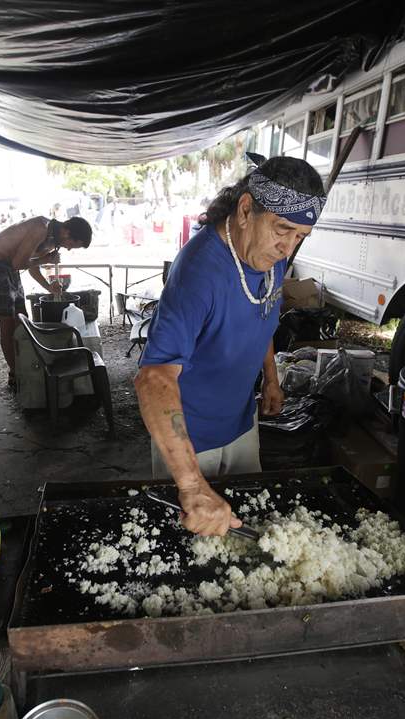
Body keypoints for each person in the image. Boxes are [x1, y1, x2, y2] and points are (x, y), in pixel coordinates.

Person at [134, 153, 326, 537]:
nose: (287, 248)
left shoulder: (268, 253)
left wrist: (271, 379)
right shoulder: (198, 272)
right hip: (191, 438)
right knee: (195, 535)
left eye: (299, 237)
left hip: (241, 421)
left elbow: (264, 314)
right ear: (244, 209)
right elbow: (153, 378)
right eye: (282, 229)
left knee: (245, 527)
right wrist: (190, 486)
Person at [0, 215, 93, 385]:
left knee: (21, 320)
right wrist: (45, 259)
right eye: (72, 245)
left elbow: (31, 267)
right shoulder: (41, 228)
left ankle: (23, 366)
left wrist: (49, 287)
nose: (68, 249)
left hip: (8, 267)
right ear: (67, 232)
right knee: (8, 324)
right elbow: (18, 263)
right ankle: (15, 374)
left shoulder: (53, 239)